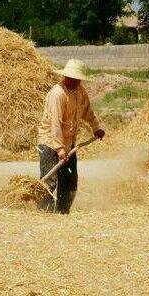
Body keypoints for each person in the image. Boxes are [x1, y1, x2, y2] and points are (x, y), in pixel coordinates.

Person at [37, 59, 105, 214]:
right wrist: (60, 150)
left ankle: (62, 212)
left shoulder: (80, 92)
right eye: (72, 78)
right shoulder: (57, 94)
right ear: (66, 77)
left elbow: (88, 112)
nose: (75, 81)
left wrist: (96, 128)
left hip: (69, 143)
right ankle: (45, 212)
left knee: (70, 182)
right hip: (49, 143)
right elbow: (55, 124)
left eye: (77, 78)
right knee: (50, 181)